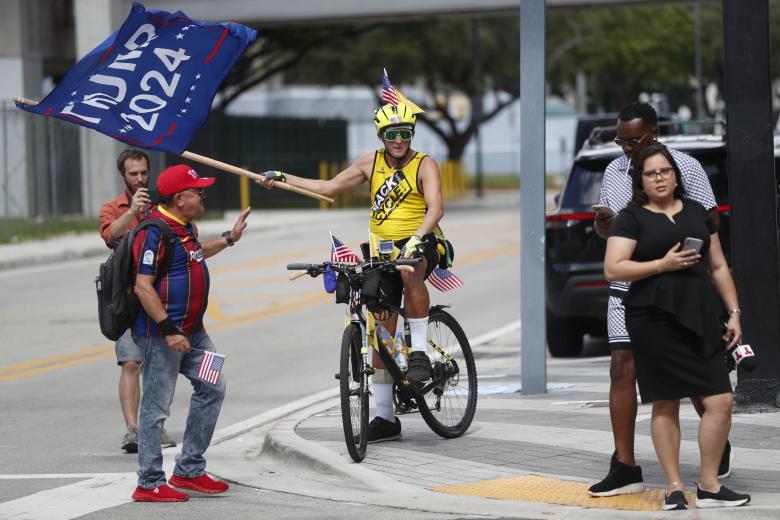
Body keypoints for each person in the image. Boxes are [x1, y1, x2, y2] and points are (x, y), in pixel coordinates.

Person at [257, 102, 444, 443]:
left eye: (404, 134)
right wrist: (283, 179)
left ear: (412, 134)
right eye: (391, 135)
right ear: (381, 136)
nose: (399, 141)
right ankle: (386, 419)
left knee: (408, 271)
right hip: (381, 249)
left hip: (421, 240)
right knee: (382, 328)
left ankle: (419, 351)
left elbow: (435, 207)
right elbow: (328, 188)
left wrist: (417, 238)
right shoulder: (369, 163)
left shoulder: (424, 164)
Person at [589, 102, 732, 497]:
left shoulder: (685, 167)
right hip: (630, 289)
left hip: (681, 291)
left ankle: (715, 444)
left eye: (633, 140)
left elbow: (711, 221)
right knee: (623, 365)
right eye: (620, 140)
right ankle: (625, 465)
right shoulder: (613, 171)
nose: (625, 148)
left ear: (654, 133)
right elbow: (612, 240)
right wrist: (606, 226)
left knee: (693, 377)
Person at [130, 164, 251, 502]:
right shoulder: (153, 231)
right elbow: (143, 286)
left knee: (213, 385)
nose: (202, 196)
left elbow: (196, 253)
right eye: (198, 191)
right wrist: (169, 330)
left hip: (193, 333)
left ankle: (189, 469)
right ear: (180, 198)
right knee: (156, 407)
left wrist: (229, 239)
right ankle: (149, 481)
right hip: (162, 336)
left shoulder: (186, 227)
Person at [98, 148, 176, 453]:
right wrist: (131, 212)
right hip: (127, 298)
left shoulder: (163, 204)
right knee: (130, 362)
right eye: (134, 174)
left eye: (144, 173)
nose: (141, 179)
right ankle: (133, 429)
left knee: (159, 366)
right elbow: (109, 235)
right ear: (123, 175)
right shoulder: (112, 208)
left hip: (160, 296)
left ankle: (154, 425)